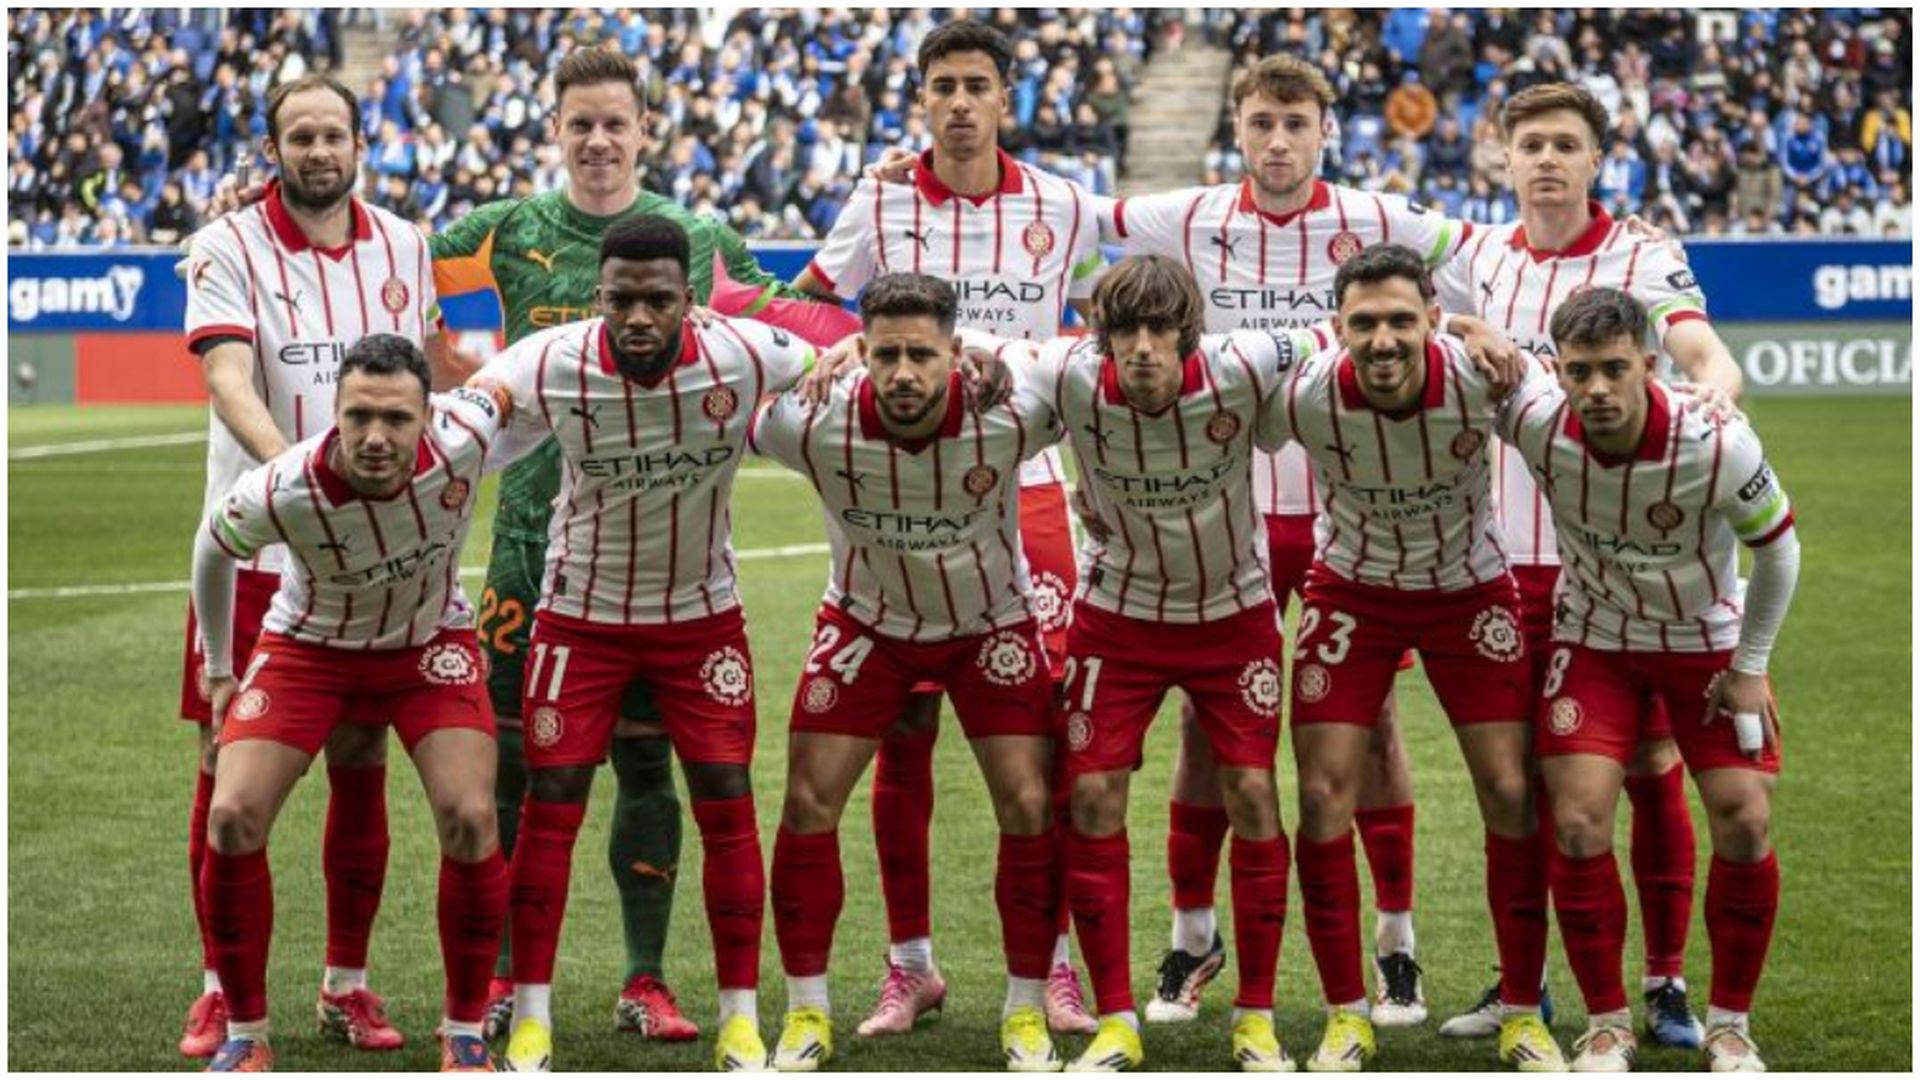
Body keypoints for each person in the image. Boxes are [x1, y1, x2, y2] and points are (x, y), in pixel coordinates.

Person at [197, 49, 830, 1044]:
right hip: (526, 546)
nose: (599, 140)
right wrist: (272, 195)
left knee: (650, 769)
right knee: (505, 772)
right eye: (580, 123)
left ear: (646, 129)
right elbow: (377, 242)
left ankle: (645, 977)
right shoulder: (499, 232)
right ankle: (495, 987)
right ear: (555, 130)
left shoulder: (700, 238)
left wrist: (860, 326)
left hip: (657, 559)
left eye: (616, 122)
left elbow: (787, 314)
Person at [1094, 53, 1480, 1028]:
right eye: (1261, 122)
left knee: (1372, 722)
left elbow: (1489, 248)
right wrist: (908, 170)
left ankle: (1396, 944)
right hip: (1228, 518)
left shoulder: (1381, 219)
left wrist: (1480, 329)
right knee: (1203, 725)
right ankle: (1193, 938)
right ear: (1237, 127)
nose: (1277, 141)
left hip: (1350, 513)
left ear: (1324, 131)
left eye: (1295, 123)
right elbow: (1066, 215)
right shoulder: (1182, 217)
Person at [792, 18, 1104, 1039]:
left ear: (1006, 97)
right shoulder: (878, 198)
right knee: (904, 732)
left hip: (1032, 489)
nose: (961, 102)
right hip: (906, 484)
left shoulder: (1064, 203)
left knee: (1043, 744)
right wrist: (846, 346)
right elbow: (804, 304)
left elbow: (1098, 326)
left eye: (977, 84)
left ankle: (1053, 964)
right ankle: (910, 966)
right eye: (944, 86)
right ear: (921, 99)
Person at [1430, 82, 1747, 1050]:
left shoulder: (1641, 255)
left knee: (1649, 768)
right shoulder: (1478, 256)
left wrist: (1716, 392)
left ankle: (1664, 982)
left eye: (1566, 144)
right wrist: (1464, 331)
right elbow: (1423, 326)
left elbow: (1698, 346)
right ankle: (1522, 988)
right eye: (1530, 143)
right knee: (1523, 786)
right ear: (1504, 156)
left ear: (1596, 160)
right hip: (1500, 568)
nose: (1547, 159)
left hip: (1613, 573)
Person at [469, 214, 819, 1073]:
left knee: (726, 799)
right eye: (620, 299)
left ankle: (740, 1019)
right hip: (579, 620)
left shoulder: (742, 352)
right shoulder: (553, 360)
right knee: (553, 800)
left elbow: (829, 358)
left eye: (657, 300)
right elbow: (473, 406)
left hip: (700, 621)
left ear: (688, 299)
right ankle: (533, 1019)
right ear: (598, 296)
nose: (637, 316)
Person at [976, 255, 1315, 1073]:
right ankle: (1118, 1018)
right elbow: (991, 346)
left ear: (1189, 333)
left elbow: (1323, 336)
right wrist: (955, 353)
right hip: (1118, 618)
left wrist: (1465, 330)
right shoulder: (1070, 373)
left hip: (1233, 614)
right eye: (1125, 330)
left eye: (1160, 329)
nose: (1142, 347)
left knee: (1254, 793)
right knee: (1092, 798)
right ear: (1103, 336)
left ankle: (1257, 1017)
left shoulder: (1241, 364)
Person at [178, 72, 454, 1061]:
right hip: (258, 547)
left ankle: (347, 983)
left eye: (333, 134)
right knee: (224, 765)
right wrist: (300, 482)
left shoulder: (406, 245)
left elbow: (423, 381)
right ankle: (221, 989)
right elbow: (228, 378)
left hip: (370, 561)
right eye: (299, 137)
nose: (318, 151)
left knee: (361, 759)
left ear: (360, 145)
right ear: (275, 149)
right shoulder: (226, 245)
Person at [750, 273, 1069, 1072]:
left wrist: (998, 355)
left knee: (1030, 802)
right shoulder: (812, 421)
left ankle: (1025, 1009)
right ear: (860, 351)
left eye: (921, 356)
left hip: (989, 624)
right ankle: (807, 1011)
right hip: (869, 625)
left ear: (955, 354)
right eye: (885, 354)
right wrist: (812, 359)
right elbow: (727, 384)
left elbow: (1086, 373)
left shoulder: (1010, 413)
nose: (902, 373)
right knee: (807, 801)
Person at [1253, 244, 1559, 1072]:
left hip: (1469, 590)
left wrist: (1478, 331)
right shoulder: (1308, 392)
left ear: (1431, 319)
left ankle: (1523, 1012)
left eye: (1400, 320)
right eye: (1364, 323)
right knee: (1321, 795)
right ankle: (1345, 1015)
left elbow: (1572, 427)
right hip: (1352, 592)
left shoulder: (1481, 379)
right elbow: (1218, 408)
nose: (1382, 340)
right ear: (1337, 327)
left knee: (1511, 790)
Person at [190, 336, 515, 1073]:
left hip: (427, 644)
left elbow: (525, 380)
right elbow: (212, 548)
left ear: (429, 416)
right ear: (334, 412)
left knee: (471, 816)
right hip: (311, 647)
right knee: (232, 814)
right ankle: (245, 1033)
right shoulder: (285, 485)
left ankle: (464, 1035)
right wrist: (219, 669)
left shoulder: (467, 436)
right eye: (358, 415)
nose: (374, 436)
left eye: (396, 419)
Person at [1495, 287, 1797, 1073]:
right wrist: (1471, 335)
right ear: (1558, 371)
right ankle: (1607, 1027)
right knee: (1577, 821)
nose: (1596, 389)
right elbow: (1457, 376)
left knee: (1745, 819)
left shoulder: (1717, 441)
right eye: (1579, 371)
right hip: (1595, 641)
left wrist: (1750, 667)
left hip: (1706, 643)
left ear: (1650, 366)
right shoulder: (1537, 421)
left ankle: (1730, 1027)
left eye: (1614, 369)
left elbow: (1779, 549)